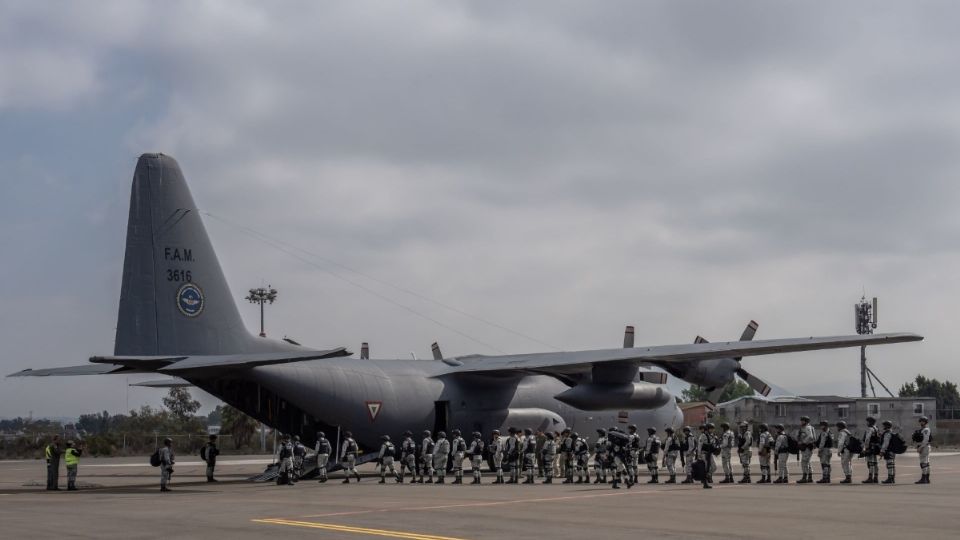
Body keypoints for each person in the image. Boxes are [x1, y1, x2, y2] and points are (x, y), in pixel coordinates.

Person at [861, 416, 880, 484]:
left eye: (868, 421)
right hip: (876, 447)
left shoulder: (870, 429)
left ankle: (870, 478)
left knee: (871, 463)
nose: (867, 423)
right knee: (875, 463)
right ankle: (876, 477)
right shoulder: (876, 428)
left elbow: (867, 439)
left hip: (871, 447)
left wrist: (865, 448)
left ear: (871, 422)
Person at [796, 416, 816, 484]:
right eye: (801, 420)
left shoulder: (807, 428)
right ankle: (809, 477)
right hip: (806, 447)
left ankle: (805, 477)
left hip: (807, 447)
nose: (801, 422)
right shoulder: (806, 427)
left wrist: (803, 442)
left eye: (803, 420)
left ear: (806, 421)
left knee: (804, 462)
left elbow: (810, 436)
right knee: (808, 462)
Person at [915, 416, 932, 484]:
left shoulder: (926, 430)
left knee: (923, 463)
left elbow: (925, 440)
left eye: (922, 421)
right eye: (921, 421)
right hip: (924, 446)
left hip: (924, 447)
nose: (921, 422)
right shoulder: (923, 429)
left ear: (925, 422)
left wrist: (920, 447)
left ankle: (924, 478)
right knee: (926, 463)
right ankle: (926, 478)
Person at [879, 420, 896, 484]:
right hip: (892, 451)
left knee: (889, 465)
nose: (883, 426)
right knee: (891, 465)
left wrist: (882, 451)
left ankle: (890, 478)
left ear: (887, 426)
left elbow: (885, 443)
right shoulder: (890, 432)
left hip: (888, 451)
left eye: (884, 425)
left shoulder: (887, 433)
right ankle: (892, 478)